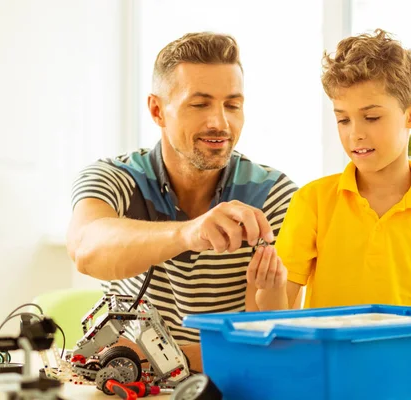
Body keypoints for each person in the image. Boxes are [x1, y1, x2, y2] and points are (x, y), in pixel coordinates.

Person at [66, 32, 296, 371]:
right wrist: (189, 234)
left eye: (232, 105)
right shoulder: (114, 177)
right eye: (200, 104)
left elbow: (274, 347)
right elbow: (87, 250)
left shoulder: (274, 196)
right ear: (158, 110)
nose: (220, 122)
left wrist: (150, 356)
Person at [251, 29, 411, 316]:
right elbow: (277, 314)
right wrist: (269, 290)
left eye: (371, 117)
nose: (355, 134)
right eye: (343, 119)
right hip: (332, 360)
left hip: (406, 359)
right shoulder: (313, 201)